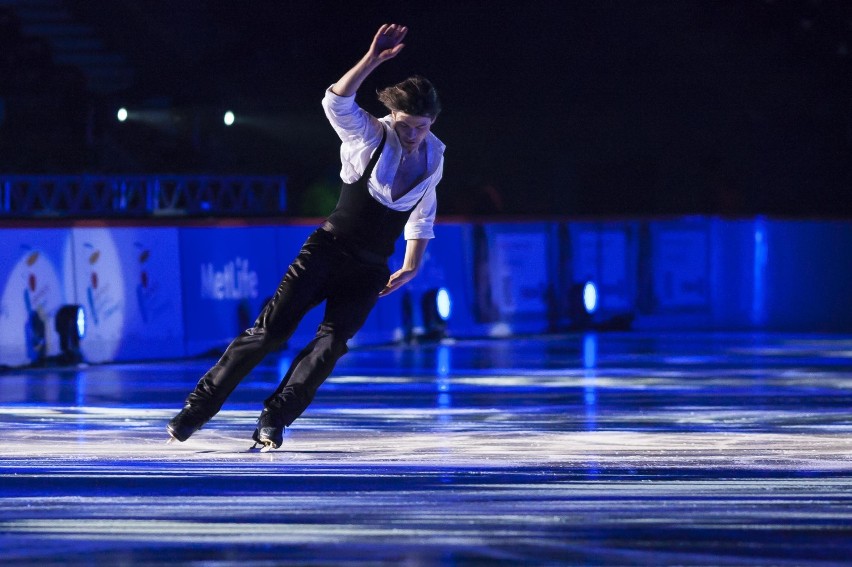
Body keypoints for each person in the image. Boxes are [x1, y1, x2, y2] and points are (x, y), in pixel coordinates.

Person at [167, 23, 445, 450]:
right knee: (271, 331)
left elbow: (422, 214)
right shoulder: (370, 133)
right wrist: (372, 59)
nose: (412, 135)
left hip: (370, 269)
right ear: (393, 116)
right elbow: (335, 101)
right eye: (406, 125)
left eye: (421, 127)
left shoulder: (435, 155)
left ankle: (273, 420)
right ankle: (197, 410)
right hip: (327, 251)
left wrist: (412, 263)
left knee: (330, 346)